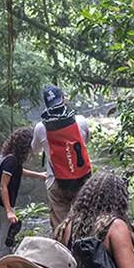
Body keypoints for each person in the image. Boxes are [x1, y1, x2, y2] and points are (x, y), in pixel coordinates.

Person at [0, 127, 45, 265]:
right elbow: (3, 186)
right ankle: (1, 266)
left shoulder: (11, 160)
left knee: (0, 229)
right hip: (3, 202)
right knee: (5, 237)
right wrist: (9, 210)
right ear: (25, 145)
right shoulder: (11, 161)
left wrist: (39, 175)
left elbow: (20, 171)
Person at [31, 86, 93, 233]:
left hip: (56, 181)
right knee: (85, 218)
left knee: (61, 225)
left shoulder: (41, 128)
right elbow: (86, 142)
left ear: (47, 105)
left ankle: (64, 251)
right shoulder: (80, 121)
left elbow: (35, 150)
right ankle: (86, 249)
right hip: (83, 179)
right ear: (63, 98)